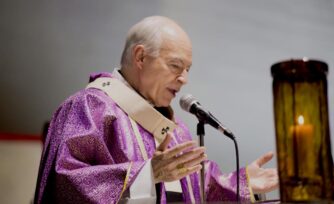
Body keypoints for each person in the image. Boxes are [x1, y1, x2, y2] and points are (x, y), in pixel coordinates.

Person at [34, 16, 278, 204]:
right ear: (140, 57)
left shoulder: (176, 130)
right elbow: (63, 183)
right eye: (175, 65)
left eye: (188, 69)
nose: (184, 79)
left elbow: (198, 186)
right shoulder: (88, 107)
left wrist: (243, 182)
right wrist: (147, 174)